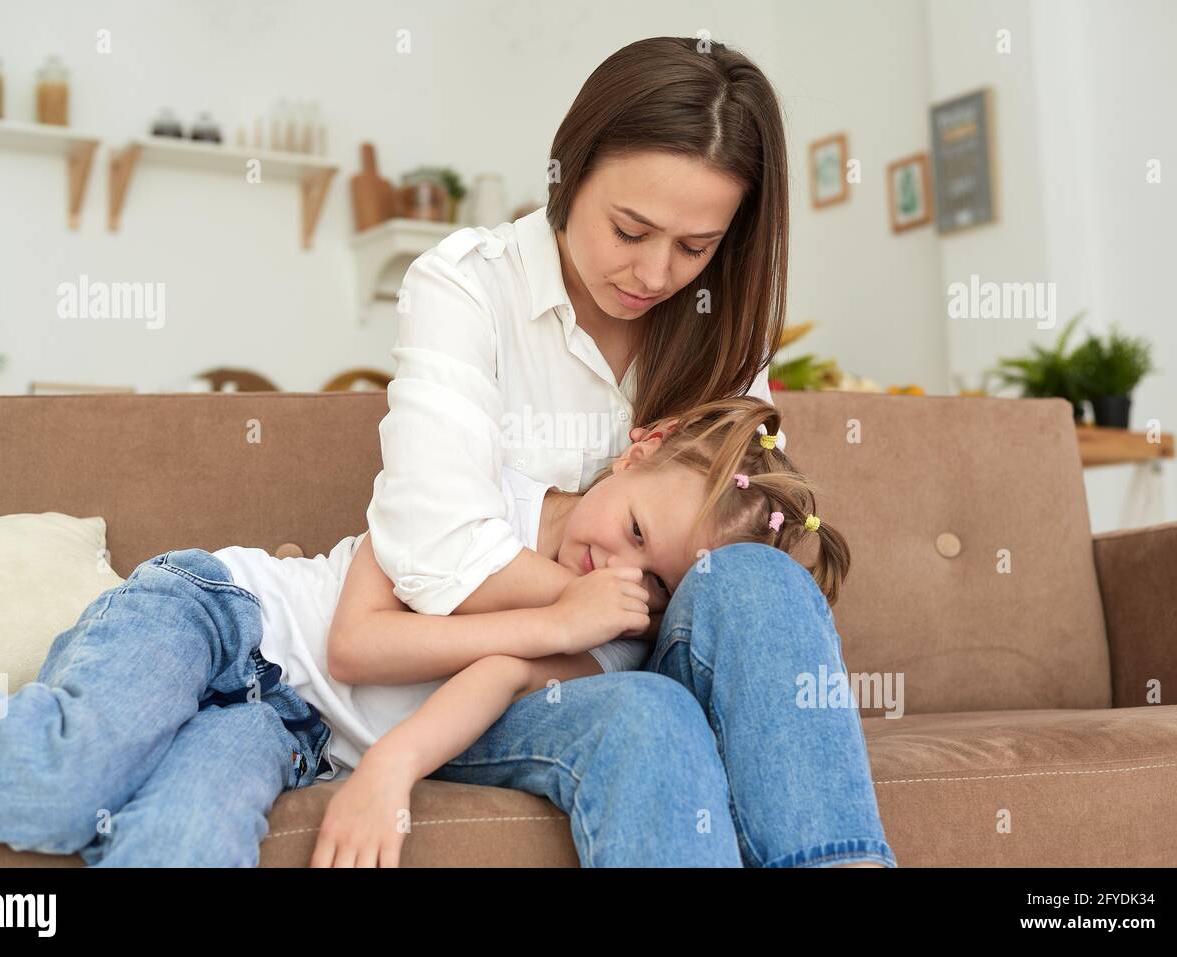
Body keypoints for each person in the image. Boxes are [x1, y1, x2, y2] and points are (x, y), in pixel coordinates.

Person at [0, 397, 850, 870]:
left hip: (283, 729)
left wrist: (387, 768)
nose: (620, 574)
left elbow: (490, 682)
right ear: (640, 447)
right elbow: (359, 644)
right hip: (223, 615)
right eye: (636, 531)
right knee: (68, 775)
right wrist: (553, 615)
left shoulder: (611, 635)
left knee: (182, 841)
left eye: (656, 578)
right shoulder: (480, 490)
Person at [363, 35, 895, 867]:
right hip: (504, 684)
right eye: (631, 228)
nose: (654, 273)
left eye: (696, 247)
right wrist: (605, 610)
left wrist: (618, 591)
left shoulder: (723, 331)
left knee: (759, 578)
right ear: (568, 172)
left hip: (656, 658)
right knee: (649, 710)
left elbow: (750, 517)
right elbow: (432, 553)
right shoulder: (467, 288)